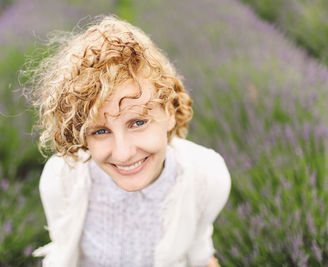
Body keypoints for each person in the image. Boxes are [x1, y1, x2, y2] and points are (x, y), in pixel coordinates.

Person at [25, 15, 231, 267]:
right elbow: (62, 254)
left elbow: (199, 255)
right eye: (100, 131)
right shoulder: (63, 178)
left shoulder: (207, 176)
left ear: (168, 111)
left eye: (138, 122)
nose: (122, 154)